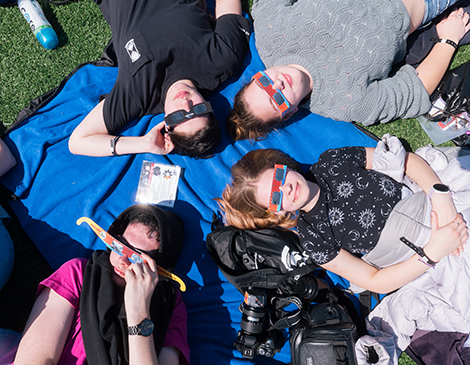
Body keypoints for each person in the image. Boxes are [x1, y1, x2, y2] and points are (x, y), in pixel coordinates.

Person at [216, 140, 469, 295]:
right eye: (274, 198)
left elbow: (406, 162)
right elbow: (374, 281)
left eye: (279, 178)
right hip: (421, 252)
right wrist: (432, 252)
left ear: (285, 166)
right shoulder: (313, 239)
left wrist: (441, 198)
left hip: (432, 202)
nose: (285, 189)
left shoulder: (332, 162)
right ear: (276, 212)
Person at [226, 0, 470, 141]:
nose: (277, 85)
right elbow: (414, 90)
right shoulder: (346, 103)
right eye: (277, 99)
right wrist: (448, 40)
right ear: (289, 113)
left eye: (264, 83)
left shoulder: (270, 35)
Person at [1, 204, 189, 365]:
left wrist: (138, 310)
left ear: (159, 266)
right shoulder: (80, 273)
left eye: (136, 257)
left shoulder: (169, 304)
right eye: (118, 245)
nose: (123, 259)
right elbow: (34, 359)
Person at [69, 0, 251, 158]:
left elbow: (78, 142)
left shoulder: (137, 96)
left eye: (179, 117)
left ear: (167, 126)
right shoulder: (223, 60)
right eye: (198, 109)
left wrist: (145, 144)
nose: (186, 104)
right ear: (209, 108)